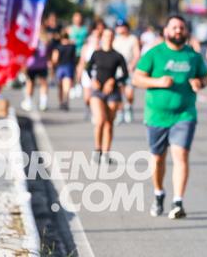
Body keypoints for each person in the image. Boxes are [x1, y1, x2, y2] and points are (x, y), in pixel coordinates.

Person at [132, 15, 207, 219]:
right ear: (166, 31)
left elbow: (204, 77)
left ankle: (178, 201)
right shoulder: (154, 53)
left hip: (184, 114)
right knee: (158, 159)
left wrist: (199, 83)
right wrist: (158, 82)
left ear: (186, 31)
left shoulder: (193, 56)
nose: (178, 30)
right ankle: (159, 194)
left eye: (181, 27)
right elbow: (137, 78)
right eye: (174, 27)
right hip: (156, 116)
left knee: (181, 155)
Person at [86, 28, 128, 162]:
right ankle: (97, 150)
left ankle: (106, 154)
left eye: (110, 36)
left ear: (113, 38)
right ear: (102, 37)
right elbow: (88, 69)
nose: (108, 38)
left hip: (112, 92)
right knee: (100, 120)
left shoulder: (118, 56)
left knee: (109, 123)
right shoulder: (96, 53)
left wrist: (113, 81)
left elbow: (125, 75)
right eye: (106, 36)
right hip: (98, 91)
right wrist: (93, 80)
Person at [113, 20, 141, 123]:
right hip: (117, 70)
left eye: (122, 26)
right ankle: (120, 112)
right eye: (118, 27)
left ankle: (128, 106)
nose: (120, 29)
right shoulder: (114, 39)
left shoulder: (132, 39)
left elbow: (137, 54)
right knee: (119, 93)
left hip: (129, 70)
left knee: (129, 93)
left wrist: (132, 65)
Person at [21, 30, 51, 112]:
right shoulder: (45, 39)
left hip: (32, 64)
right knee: (43, 83)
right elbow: (48, 52)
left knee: (30, 83)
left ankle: (29, 102)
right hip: (42, 64)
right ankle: (43, 103)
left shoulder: (32, 38)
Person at [52, 29, 78, 111]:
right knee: (67, 87)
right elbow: (75, 58)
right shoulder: (72, 47)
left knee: (60, 87)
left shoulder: (58, 47)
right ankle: (66, 101)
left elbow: (55, 59)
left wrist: (53, 67)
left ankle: (61, 102)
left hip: (60, 67)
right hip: (69, 67)